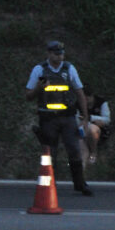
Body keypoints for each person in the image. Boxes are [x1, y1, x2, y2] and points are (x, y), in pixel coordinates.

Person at [25, 40, 93, 195]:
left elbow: (79, 92)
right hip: (48, 119)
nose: (60, 56)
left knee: (74, 150)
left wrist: (85, 117)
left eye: (61, 53)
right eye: (56, 54)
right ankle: (47, 185)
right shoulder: (39, 70)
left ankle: (80, 183)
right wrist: (38, 88)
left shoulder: (69, 69)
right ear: (49, 54)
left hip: (68, 117)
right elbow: (28, 95)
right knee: (49, 153)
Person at [79, 85, 111, 165]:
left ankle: (93, 152)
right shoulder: (78, 104)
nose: (85, 101)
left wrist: (91, 118)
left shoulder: (101, 102)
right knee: (81, 142)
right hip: (81, 129)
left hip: (99, 129)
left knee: (92, 130)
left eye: (87, 98)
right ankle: (83, 165)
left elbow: (107, 119)